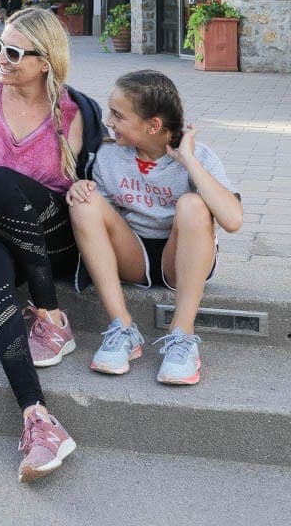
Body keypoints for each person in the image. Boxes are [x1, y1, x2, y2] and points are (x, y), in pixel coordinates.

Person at [0, 7, 104, 483]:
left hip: (48, 236)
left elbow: (100, 180)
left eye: (13, 52)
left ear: (45, 62)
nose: (1, 59)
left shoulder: (78, 113)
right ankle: (38, 418)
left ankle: (51, 316)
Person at [67, 70, 242, 385]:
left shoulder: (200, 157)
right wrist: (80, 189)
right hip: (134, 253)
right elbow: (103, 218)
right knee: (84, 199)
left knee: (192, 204)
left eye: (119, 116)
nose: (109, 121)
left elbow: (232, 220)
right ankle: (122, 329)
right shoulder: (109, 155)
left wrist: (189, 161)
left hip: (183, 257)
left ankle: (182, 336)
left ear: (153, 125)